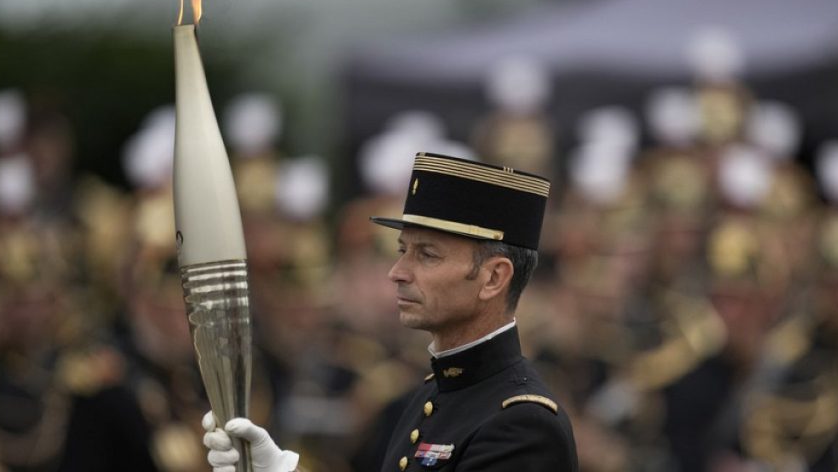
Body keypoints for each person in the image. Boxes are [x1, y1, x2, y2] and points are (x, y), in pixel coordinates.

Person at [201, 151, 578, 471]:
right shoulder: (434, 393)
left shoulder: (522, 425)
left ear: (494, 277)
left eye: (426, 255)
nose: (397, 273)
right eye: (402, 251)